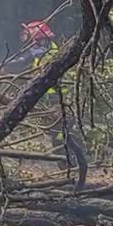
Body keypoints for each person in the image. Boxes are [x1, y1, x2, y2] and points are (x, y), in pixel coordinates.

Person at [20, 20, 88, 191]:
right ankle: (70, 166)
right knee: (58, 133)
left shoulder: (44, 50)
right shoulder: (46, 48)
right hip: (51, 99)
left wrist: (2, 67)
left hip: (56, 100)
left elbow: (23, 60)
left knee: (59, 134)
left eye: (29, 34)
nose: (26, 38)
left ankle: (70, 169)